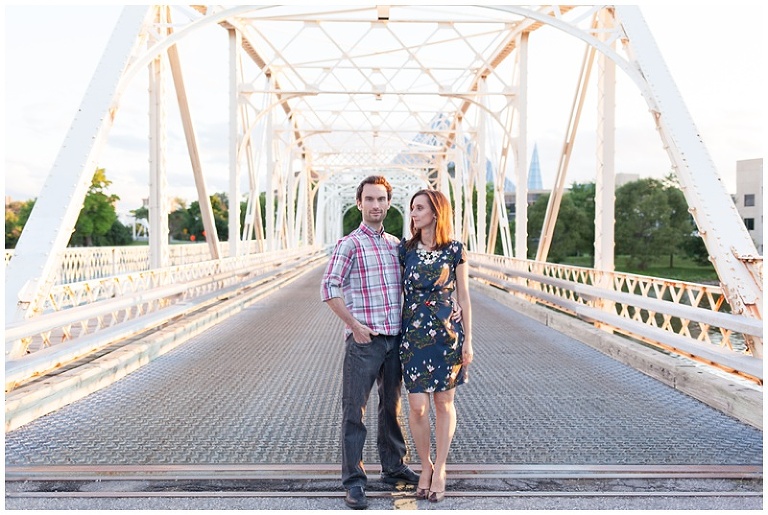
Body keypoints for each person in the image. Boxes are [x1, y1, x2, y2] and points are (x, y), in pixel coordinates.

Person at [320, 175, 420, 510]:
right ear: (359, 203)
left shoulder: (396, 245)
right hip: (365, 341)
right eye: (369, 200)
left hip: (395, 339)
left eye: (381, 200)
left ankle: (393, 469)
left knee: (391, 408)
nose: (375, 205)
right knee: (354, 412)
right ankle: (354, 482)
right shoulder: (349, 244)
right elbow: (329, 288)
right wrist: (354, 326)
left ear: (388, 204)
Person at [398, 188, 473, 503]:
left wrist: (469, 339)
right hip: (414, 335)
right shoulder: (405, 249)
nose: (413, 214)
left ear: (435, 212)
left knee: (443, 404)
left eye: (419, 208)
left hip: (446, 334)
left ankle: (439, 468)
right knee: (417, 406)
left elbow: (465, 296)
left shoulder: (455, 249)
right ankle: (424, 465)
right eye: (412, 208)